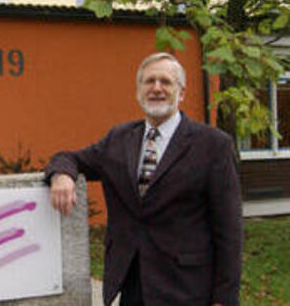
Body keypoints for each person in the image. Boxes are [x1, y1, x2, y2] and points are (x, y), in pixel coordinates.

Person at [44, 52, 242, 306]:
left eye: (166, 82)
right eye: (149, 81)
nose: (156, 88)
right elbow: (70, 158)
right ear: (139, 91)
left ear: (181, 93)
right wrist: (62, 175)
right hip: (132, 283)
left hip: (187, 288)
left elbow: (229, 229)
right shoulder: (119, 139)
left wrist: (225, 298)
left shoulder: (213, 145)